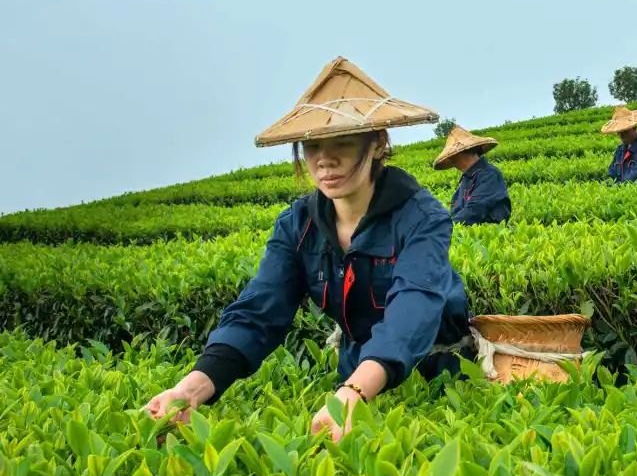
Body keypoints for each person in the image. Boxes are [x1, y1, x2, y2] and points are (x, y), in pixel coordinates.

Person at [144, 57, 472, 442]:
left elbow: (413, 309)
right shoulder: (298, 225)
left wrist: (354, 392)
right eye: (313, 145)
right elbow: (258, 312)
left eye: (343, 143)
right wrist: (189, 391)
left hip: (437, 370)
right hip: (355, 374)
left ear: (378, 144)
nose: (324, 160)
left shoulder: (422, 216)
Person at [433, 126, 511, 225]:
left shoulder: (489, 174)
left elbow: (476, 209)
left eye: (451, 156)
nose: (451, 160)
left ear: (459, 153)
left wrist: (447, 227)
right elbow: (455, 210)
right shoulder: (466, 179)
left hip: (487, 235)